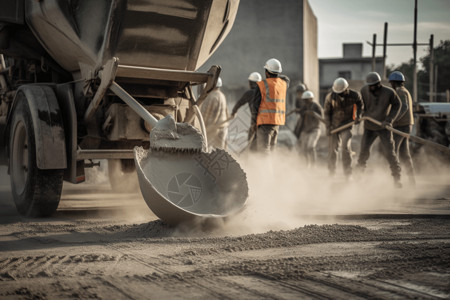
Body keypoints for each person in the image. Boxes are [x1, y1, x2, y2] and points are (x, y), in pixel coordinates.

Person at [356, 72, 403, 187]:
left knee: (390, 153)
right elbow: (360, 105)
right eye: (369, 85)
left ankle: (397, 179)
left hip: (384, 127)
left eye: (373, 85)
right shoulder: (364, 91)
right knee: (363, 152)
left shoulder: (389, 92)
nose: (371, 87)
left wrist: (389, 120)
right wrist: (358, 115)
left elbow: (397, 105)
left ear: (379, 84)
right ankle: (358, 177)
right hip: (369, 127)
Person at [324, 77, 363, 179]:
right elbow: (327, 113)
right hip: (334, 126)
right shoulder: (330, 97)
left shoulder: (355, 95)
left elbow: (360, 106)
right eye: (338, 92)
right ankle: (331, 173)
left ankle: (347, 174)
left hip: (347, 125)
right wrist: (328, 127)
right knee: (333, 150)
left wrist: (358, 116)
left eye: (341, 92)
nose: (339, 94)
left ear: (346, 89)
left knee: (345, 149)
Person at [253, 58, 289, 153]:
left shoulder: (261, 85)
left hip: (264, 123)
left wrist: (253, 123)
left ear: (267, 72)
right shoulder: (283, 84)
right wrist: (276, 75)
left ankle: (265, 168)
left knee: (263, 152)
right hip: (277, 122)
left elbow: (255, 107)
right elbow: (286, 78)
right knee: (272, 150)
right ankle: (272, 167)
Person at [388, 71, 416, 185]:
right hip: (406, 124)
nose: (391, 85)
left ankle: (397, 179)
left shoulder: (399, 91)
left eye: (391, 83)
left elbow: (404, 107)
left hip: (402, 125)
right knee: (404, 153)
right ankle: (411, 179)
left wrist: (393, 120)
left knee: (393, 151)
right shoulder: (405, 91)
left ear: (394, 83)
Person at [231, 72, 262, 150]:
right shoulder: (263, 93)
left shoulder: (249, 93)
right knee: (262, 143)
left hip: (255, 121)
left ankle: (252, 158)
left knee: (252, 143)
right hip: (265, 122)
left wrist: (233, 112)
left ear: (250, 83)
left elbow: (239, 103)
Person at [296, 91, 323, 166]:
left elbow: (322, 117)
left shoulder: (316, 106)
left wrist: (313, 114)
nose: (305, 101)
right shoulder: (305, 106)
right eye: (304, 100)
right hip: (305, 130)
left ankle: (313, 165)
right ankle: (306, 165)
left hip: (315, 129)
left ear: (311, 99)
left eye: (306, 100)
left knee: (310, 147)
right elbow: (301, 113)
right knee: (303, 149)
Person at [200, 77, 229, 149]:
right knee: (221, 150)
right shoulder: (222, 95)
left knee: (206, 148)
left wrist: (201, 127)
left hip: (213, 128)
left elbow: (206, 114)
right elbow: (226, 112)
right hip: (223, 127)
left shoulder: (211, 96)